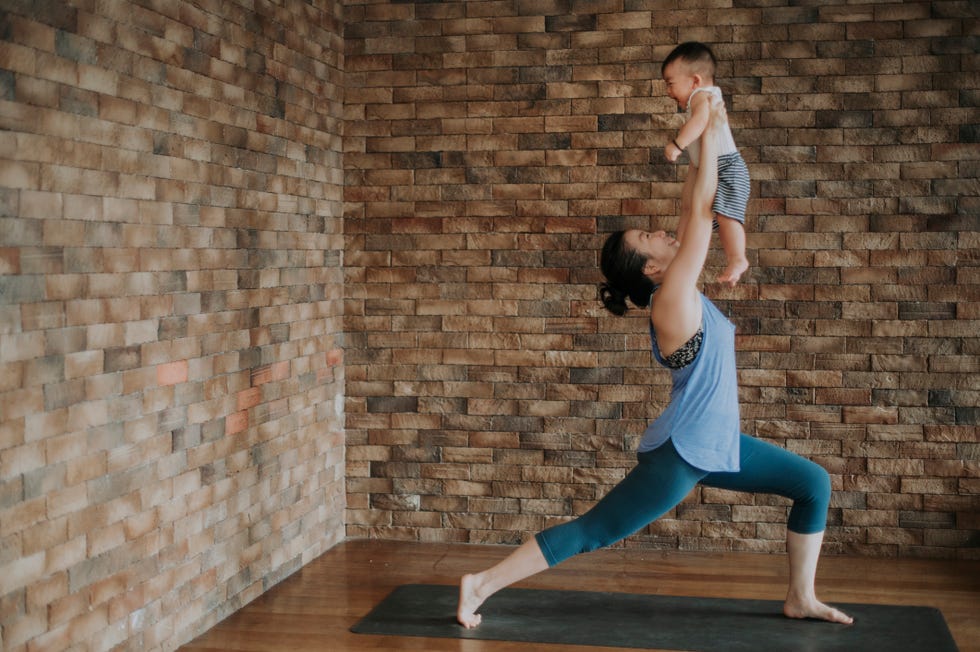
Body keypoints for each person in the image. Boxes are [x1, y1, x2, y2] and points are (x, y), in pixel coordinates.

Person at [456, 95, 852, 630]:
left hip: (716, 443)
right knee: (595, 530)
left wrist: (710, 135)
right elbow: (699, 211)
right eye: (650, 237)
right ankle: (479, 584)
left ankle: (800, 596)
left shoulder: (679, 289)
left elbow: (695, 201)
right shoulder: (672, 301)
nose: (664, 233)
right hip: (684, 452)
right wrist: (707, 131)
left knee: (812, 483)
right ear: (649, 268)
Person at [662, 41, 750, 287]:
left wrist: (678, 144)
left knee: (725, 216)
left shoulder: (701, 97)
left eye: (671, 83)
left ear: (695, 80)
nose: (668, 91)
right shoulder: (702, 96)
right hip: (711, 167)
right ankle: (680, 250)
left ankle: (738, 258)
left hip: (728, 167)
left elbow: (701, 121)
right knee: (691, 209)